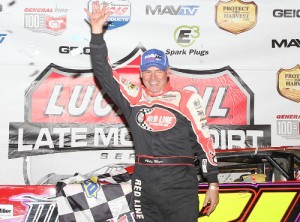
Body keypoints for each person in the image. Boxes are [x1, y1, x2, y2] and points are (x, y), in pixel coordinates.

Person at [85, 2, 219, 221]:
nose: (153, 76)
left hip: (180, 186)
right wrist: (97, 33)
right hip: (144, 185)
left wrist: (213, 183)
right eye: (148, 71)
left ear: (168, 72)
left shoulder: (186, 98)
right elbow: (103, 73)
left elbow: (205, 142)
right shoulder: (133, 97)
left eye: (158, 71)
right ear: (140, 75)